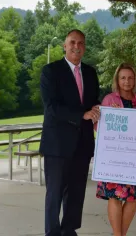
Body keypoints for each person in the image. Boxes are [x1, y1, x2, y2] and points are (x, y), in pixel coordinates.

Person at [39, 29, 101, 236]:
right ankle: (52, 231)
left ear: (84, 47)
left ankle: (69, 230)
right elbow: (51, 108)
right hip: (57, 144)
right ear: (64, 46)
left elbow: (94, 103)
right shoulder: (50, 71)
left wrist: (101, 110)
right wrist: (81, 114)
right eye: (72, 42)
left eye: (81, 43)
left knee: (76, 193)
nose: (77, 46)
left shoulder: (91, 73)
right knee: (55, 192)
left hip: (82, 144)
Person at [95, 63, 136, 236]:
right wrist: (113, 116)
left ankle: (120, 234)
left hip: (135, 158)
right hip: (114, 158)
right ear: (117, 80)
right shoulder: (109, 100)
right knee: (115, 196)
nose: (127, 81)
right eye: (123, 78)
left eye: (130, 78)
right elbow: (99, 129)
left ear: (135, 80)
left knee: (134, 199)